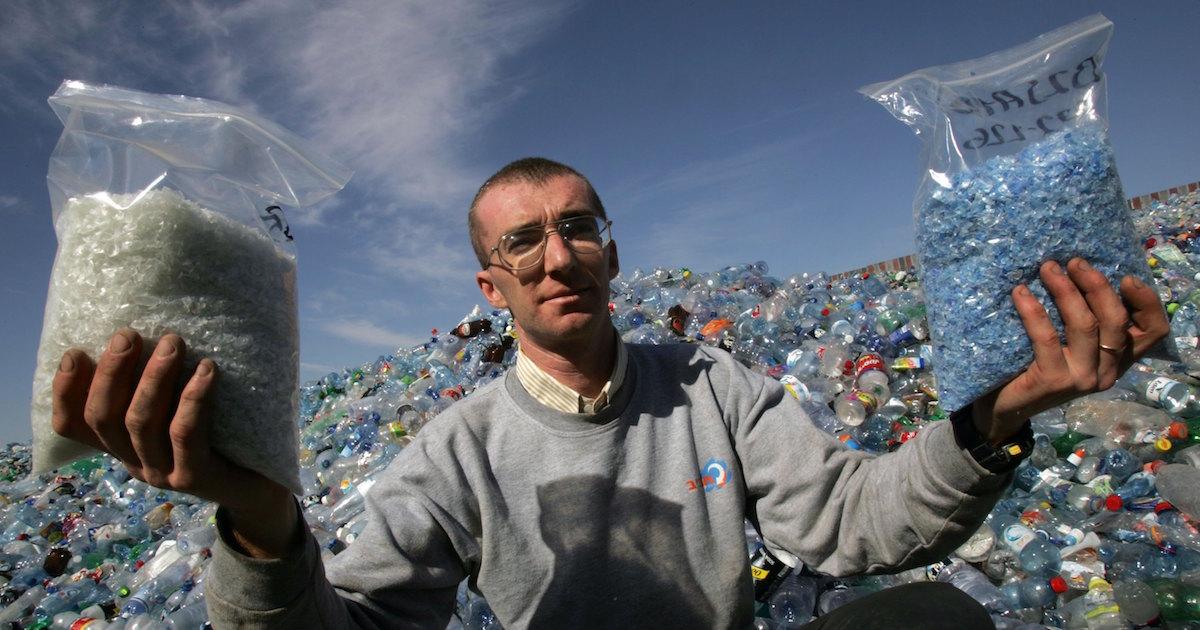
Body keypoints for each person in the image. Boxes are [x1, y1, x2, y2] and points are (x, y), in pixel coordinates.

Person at [50, 157, 1170, 628]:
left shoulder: (711, 383)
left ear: (612, 253)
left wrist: (999, 412)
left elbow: (854, 522)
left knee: (934, 615)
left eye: (578, 228)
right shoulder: (455, 452)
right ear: (491, 286)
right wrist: (255, 522)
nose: (557, 257)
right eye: (524, 242)